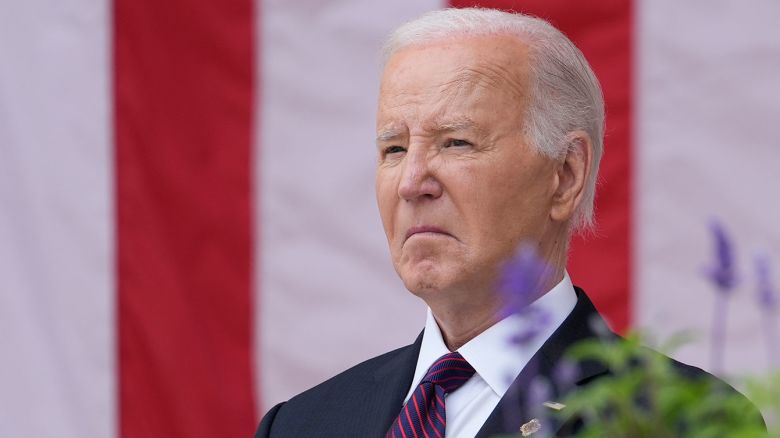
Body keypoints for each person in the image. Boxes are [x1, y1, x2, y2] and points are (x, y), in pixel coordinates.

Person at [255, 8, 761, 437]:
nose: (411, 182)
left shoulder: (684, 420)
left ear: (564, 176)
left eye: (456, 142)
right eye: (394, 148)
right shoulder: (301, 424)